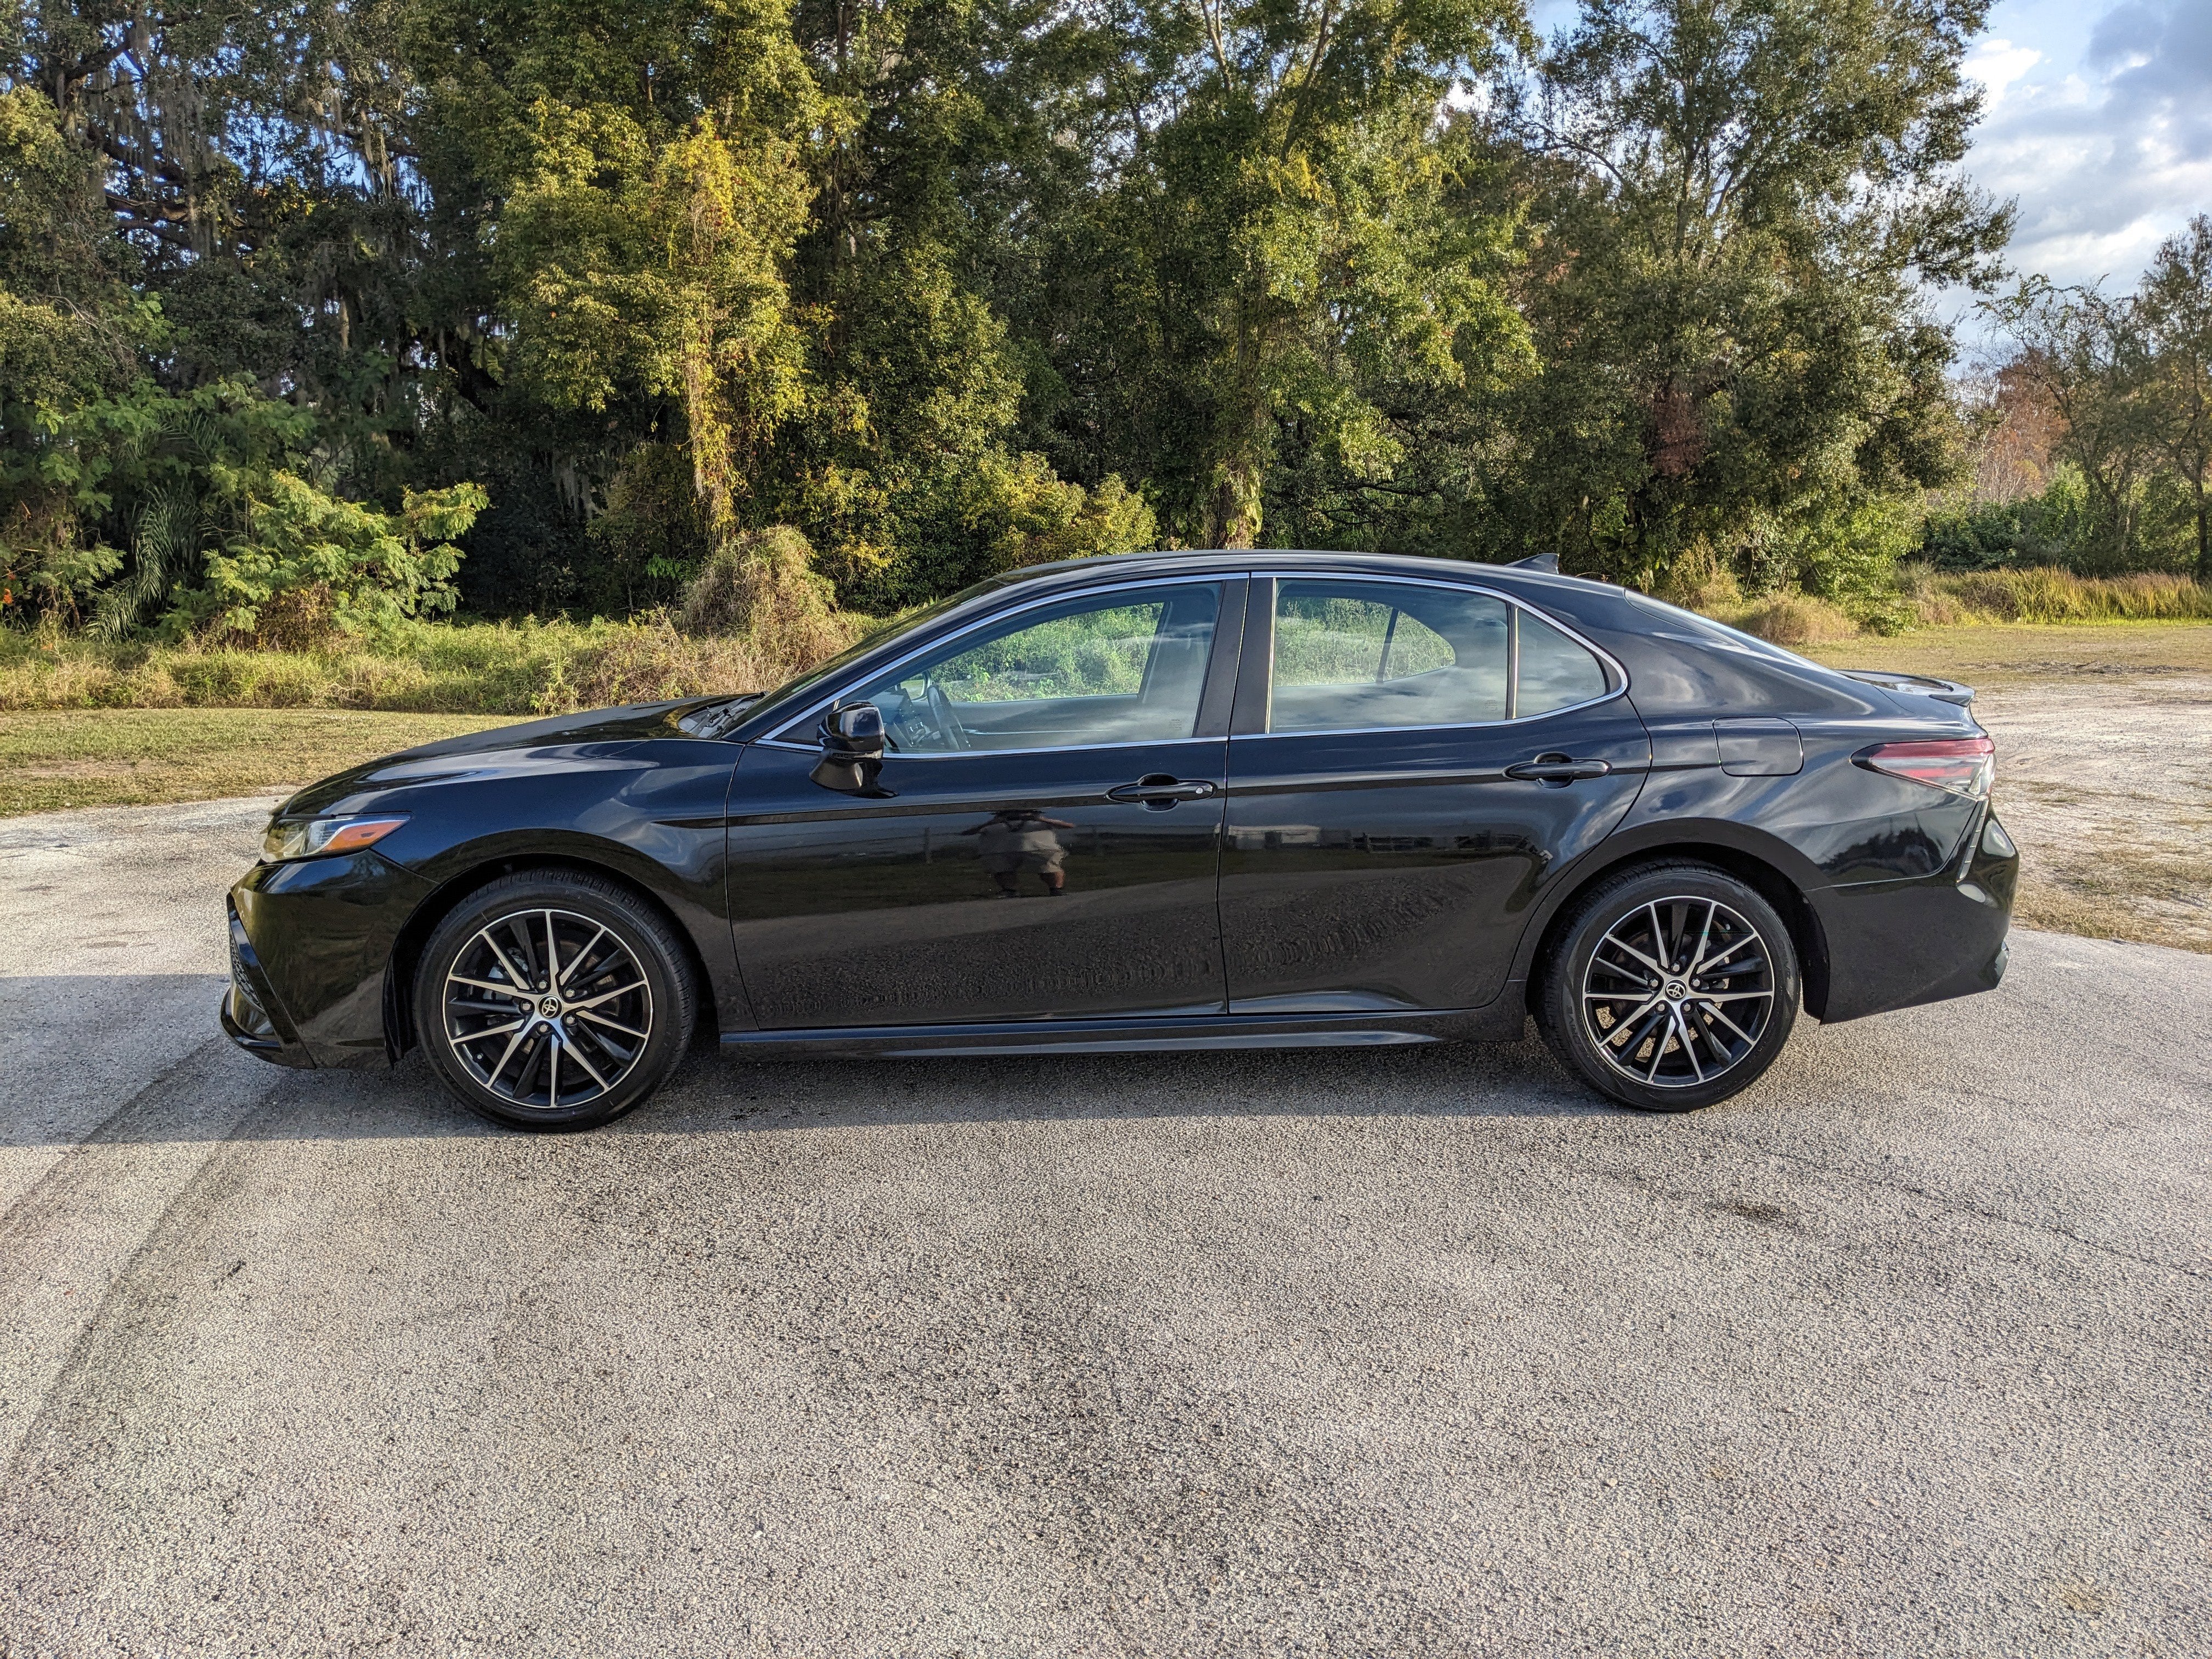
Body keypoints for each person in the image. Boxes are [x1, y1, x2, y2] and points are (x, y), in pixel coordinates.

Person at [963, 809, 1076, 896]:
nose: (1017, 815)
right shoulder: (994, 825)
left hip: (1039, 849)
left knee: (1049, 868)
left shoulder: (1039, 822)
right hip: (1001, 851)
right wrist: (992, 823)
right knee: (1002, 870)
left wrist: (1040, 819)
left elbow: (1069, 826)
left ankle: (1056, 889)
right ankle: (1009, 890)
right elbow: (967, 833)